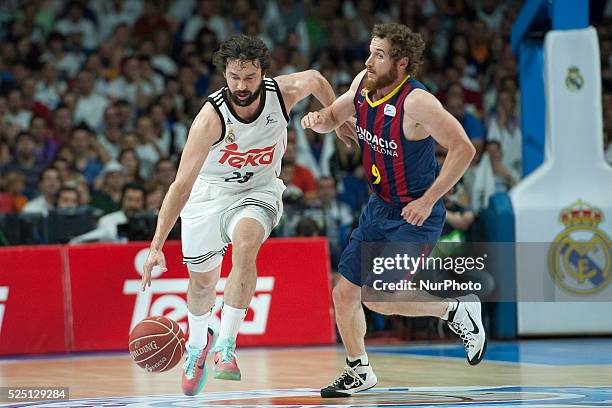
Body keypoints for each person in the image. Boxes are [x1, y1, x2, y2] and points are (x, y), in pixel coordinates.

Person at [140, 34, 354, 397]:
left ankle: (226, 346)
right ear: (225, 74)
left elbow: (316, 79)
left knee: (246, 244)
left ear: (262, 74)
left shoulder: (281, 94)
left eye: (249, 77)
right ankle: (197, 346)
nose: (241, 86)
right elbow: (180, 186)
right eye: (234, 77)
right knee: (203, 285)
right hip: (209, 195)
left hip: (258, 190)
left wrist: (335, 117)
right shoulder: (209, 118)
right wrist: (156, 245)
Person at [301, 23, 485, 398]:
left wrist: (430, 198)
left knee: (378, 295)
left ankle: (456, 310)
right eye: (370, 52)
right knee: (344, 294)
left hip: (414, 215)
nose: (369, 61)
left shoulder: (418, 103)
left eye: (379, 55)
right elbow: (333, 117)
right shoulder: (362, 84)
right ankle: (359, 371)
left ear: (401, 64)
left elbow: (463, 148)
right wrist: (317, 121)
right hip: (378, 208)